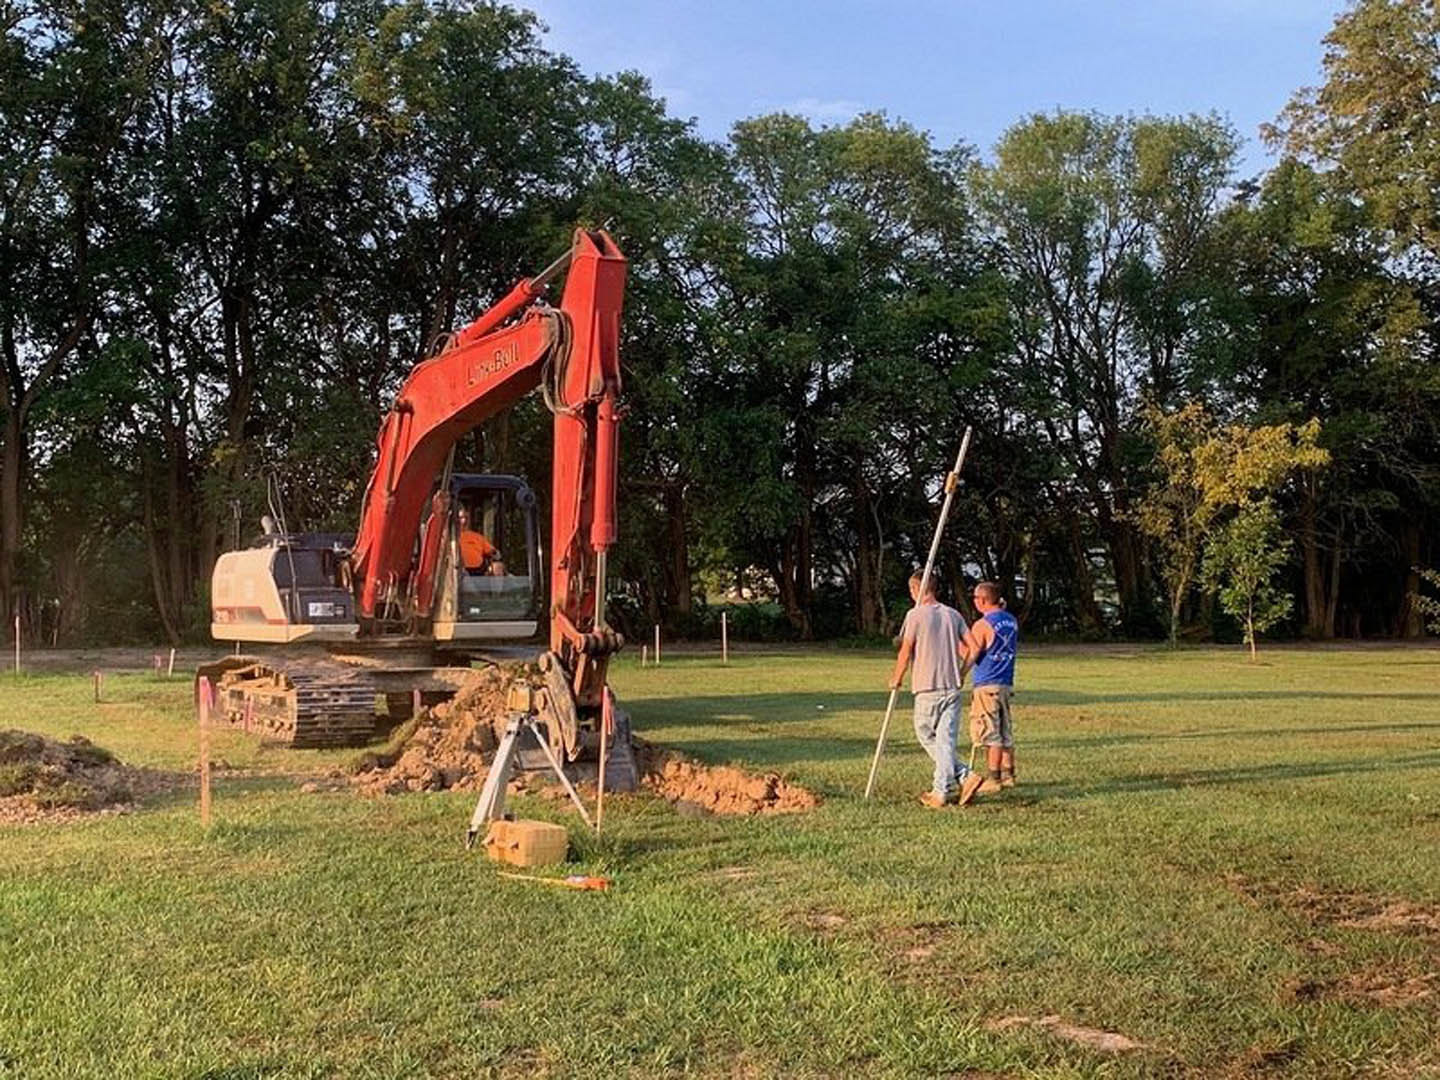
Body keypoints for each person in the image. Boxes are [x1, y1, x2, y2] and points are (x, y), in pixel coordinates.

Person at [889, 570, 986, 809]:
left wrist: (896, 677)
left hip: (927, 687)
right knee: (945, 740)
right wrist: (962, 672)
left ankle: (942, 790)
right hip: (951, 687)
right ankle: (964, 776)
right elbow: (974, 649)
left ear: (916, 590)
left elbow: (906, 649)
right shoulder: (953, 615)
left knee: (926, 734)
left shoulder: (914, 615)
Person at [962, 581, 1019, 792]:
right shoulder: (1011, 621)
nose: (974, 602)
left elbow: (973, 653)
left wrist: (960, 674)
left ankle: (993, 779)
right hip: (1005, 682)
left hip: (986, 683)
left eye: (976, 598)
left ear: (983, 600)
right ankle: (1009, 774)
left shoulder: (981, 625)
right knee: (1005, 732)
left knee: (990, 733)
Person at [456, 508, 499, 574]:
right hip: (457, 572)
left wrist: (496, 560)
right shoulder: (447, 540)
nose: (460, 521)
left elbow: (494, 553)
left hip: (477, 575)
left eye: (463, 518)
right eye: (458, 518)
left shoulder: (476, 537)